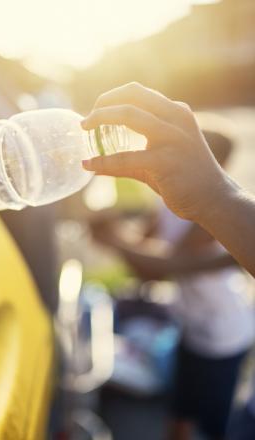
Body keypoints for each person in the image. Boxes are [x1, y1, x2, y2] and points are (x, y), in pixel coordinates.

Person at [80, 82, 255, 440]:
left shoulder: (213, 217)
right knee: (179, 414)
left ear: (211, 159)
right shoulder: (169, 198)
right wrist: (113, 227)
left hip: (224, 335)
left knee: (210, 423)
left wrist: (114, 237)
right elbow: (143, 257)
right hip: (190, 326)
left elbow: (163, 266)